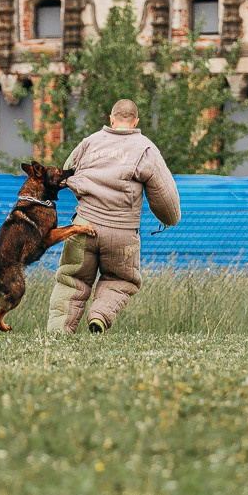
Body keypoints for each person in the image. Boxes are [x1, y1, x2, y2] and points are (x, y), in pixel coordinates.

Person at [48, 99, 181, 333]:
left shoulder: (90, 143)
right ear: (136, 122)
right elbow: (166, 200)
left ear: (111, 119)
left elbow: (65, 171)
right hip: (121, 234)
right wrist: (170, 219)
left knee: (71, 279)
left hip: (82, 227)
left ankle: (59, 331)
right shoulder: (145, 149)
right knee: (120, 280)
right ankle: (99, 317)